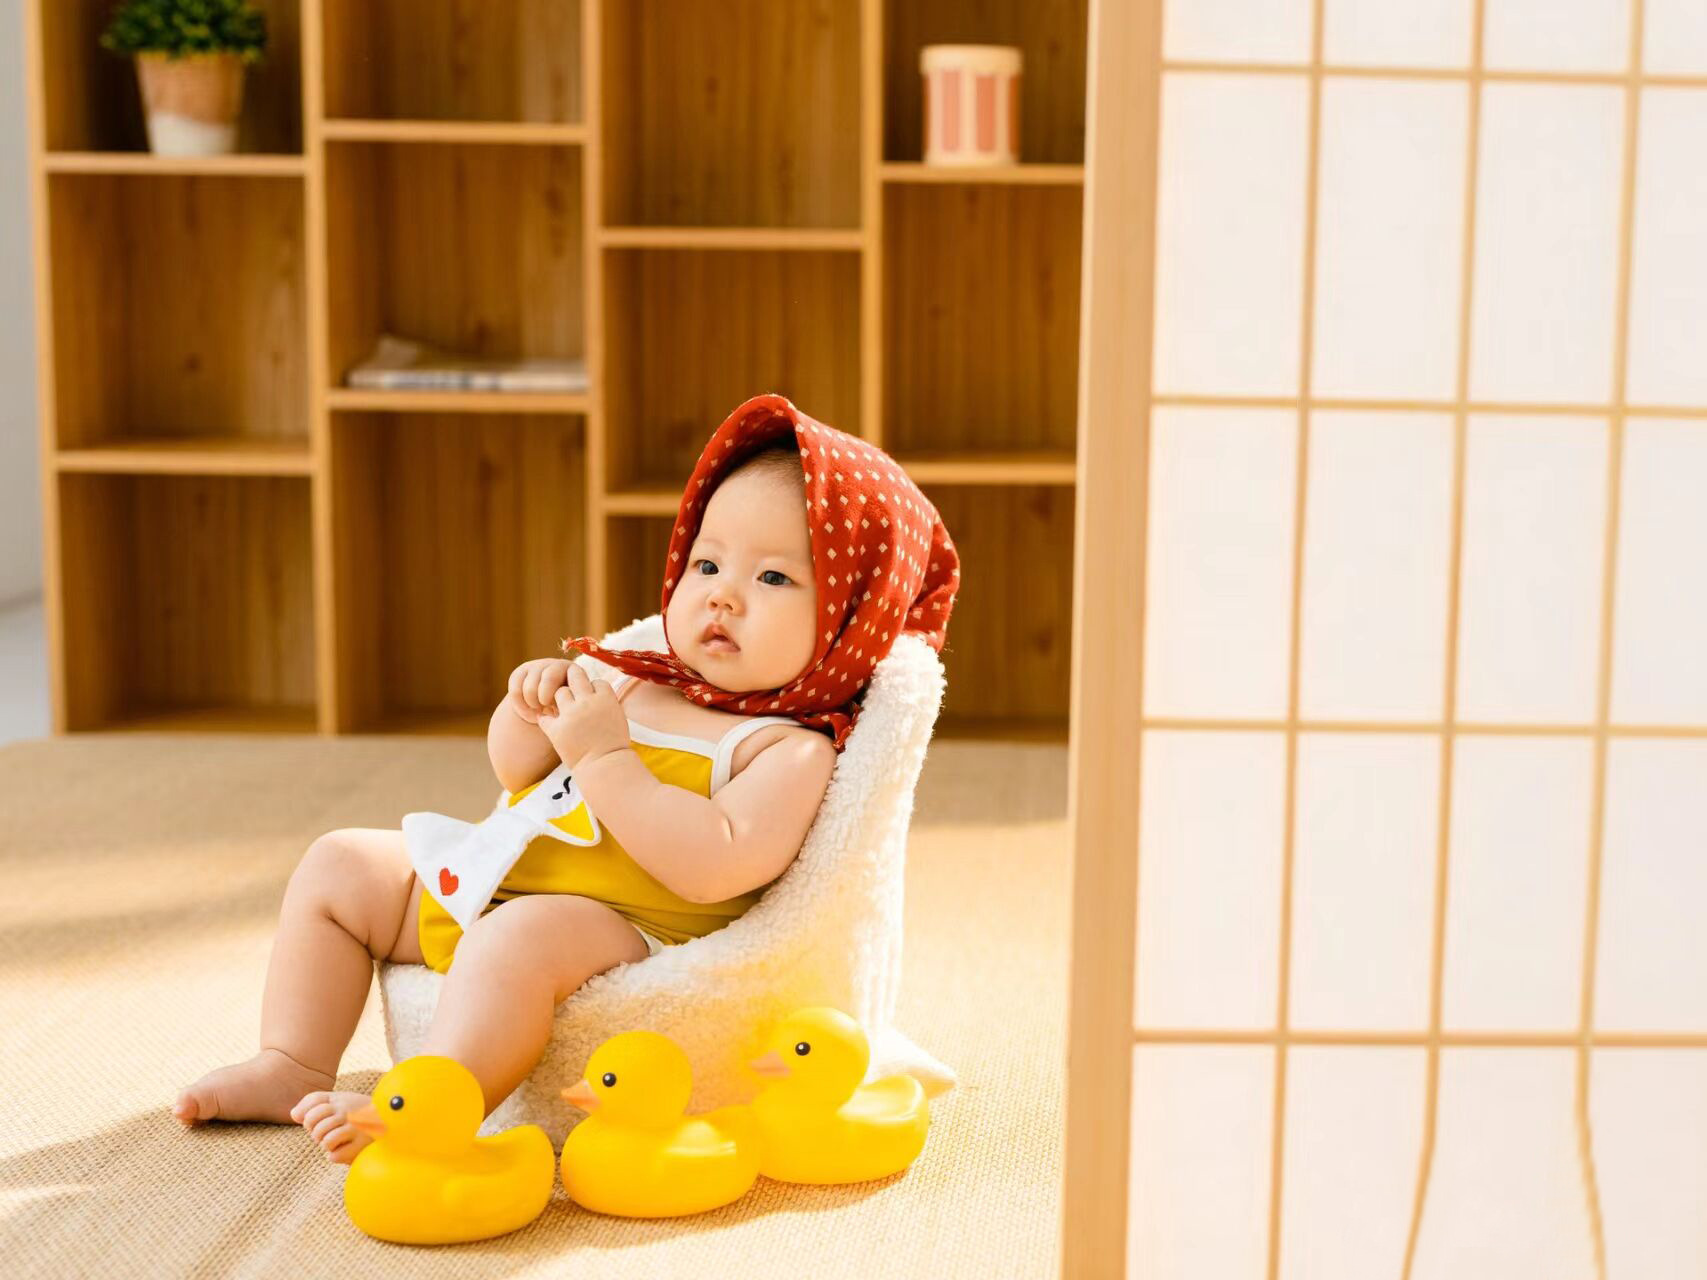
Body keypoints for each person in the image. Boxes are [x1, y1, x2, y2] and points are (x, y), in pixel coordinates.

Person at [171, 393, 958, 1163]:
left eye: (774, 578)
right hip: (494, 877)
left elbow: (710, 867)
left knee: (519, 939)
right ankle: (293, 1061)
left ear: (852, 618)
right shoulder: (635, 679)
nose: (722, 593)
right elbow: (518, 773)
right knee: (340, 862)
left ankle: (436, 1101)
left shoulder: (786, 748)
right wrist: (528, 709)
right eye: (707, 563)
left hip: (620, 924)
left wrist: (606, 761)